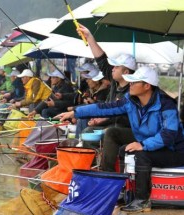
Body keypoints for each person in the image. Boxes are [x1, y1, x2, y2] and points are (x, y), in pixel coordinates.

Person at [56, 66, 184, 213]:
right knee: (120, 143)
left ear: (147, 86)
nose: (130, 84)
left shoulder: (166, 105)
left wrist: (142, 144)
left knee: (142, 155)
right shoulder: (131, 101)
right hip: (151, 143)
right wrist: (75, 112)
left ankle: (142, 200)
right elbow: (104, 108)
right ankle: (120, 188)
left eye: (134, 82)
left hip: (174, 150)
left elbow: (169, 134)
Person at [77, 24, 136, 172]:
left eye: (116, 67)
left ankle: (105, 172)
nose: (113, 69)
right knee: (89, 131)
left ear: (126, 71)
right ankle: (89, 168)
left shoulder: (135, 89)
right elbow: (102, 60)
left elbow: (128, 117)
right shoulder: (116, 81)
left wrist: (104, 119)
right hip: (112, 124)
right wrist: (89, 37)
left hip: (126, 128)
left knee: (106, 132)